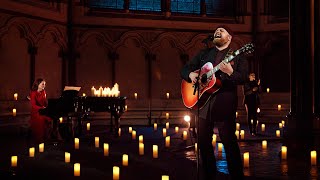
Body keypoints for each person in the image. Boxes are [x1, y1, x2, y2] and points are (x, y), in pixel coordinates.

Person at [181, 25, 248, 179]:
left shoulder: (237, 56)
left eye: (222, 30)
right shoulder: (205, 54)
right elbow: (184, 69)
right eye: (216, 30)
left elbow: (244, 77)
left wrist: (230, 72)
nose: (218, 31)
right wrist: (191, 74)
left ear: (230, 37)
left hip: (224, 104)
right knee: (203, 143)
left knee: (229, 142)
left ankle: (237, 176)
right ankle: (209, 176)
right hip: (203, 104)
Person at [29, 78, 55, 144]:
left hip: (43, 110)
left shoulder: (43, 92)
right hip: (36, 111)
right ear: (38, 84)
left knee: (51, 117)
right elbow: (33, 105)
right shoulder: (33, 93)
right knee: (42, 119)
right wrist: (42, 108)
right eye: (42, 84)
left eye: (45, 84)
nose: (44, 85)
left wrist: (49, 107)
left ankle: (48, 136)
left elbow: (45, 102)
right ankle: (40, 138)